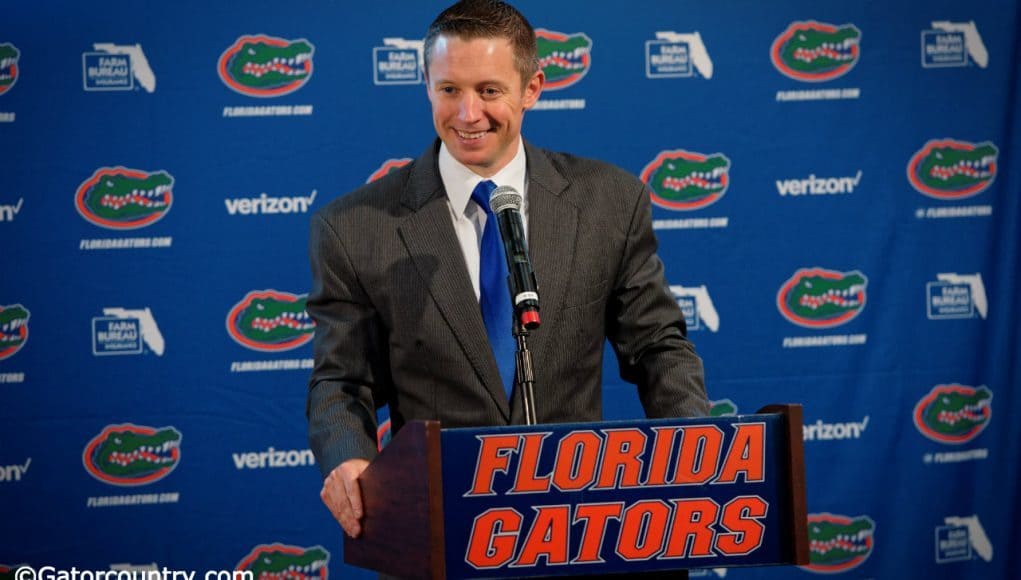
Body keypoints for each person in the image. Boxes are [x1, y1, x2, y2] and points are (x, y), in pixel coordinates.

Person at [307, 0, 709, 543]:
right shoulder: (354, 227)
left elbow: (658, 346)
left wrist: (698, 449)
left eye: (489, 91)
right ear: (426, 83)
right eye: (449, 90)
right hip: (439, 534)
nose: (468, 114)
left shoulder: (609, 202)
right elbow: (342, 379)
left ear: (532, 88)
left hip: (579, 532)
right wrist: (348, 458)